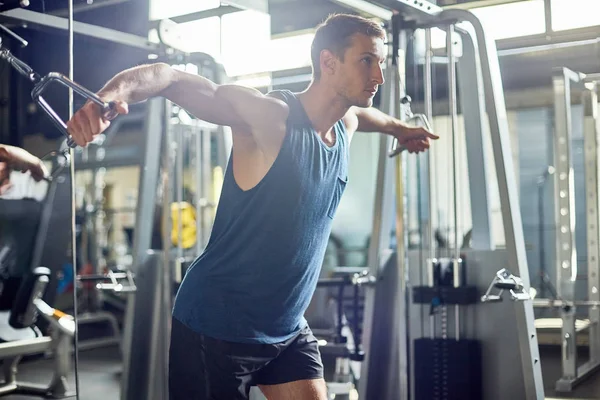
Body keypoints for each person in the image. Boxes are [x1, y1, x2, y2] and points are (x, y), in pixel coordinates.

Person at [67, 13, 438, 400]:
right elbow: (171, 78)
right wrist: (111, 97)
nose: (378, 75)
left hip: (288, 330)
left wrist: (401, 128)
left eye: (380, 62)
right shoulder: (269, 118)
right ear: (329, 63)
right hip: (216, 327)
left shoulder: (345, 124)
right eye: (367, 61)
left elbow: (367, 115)